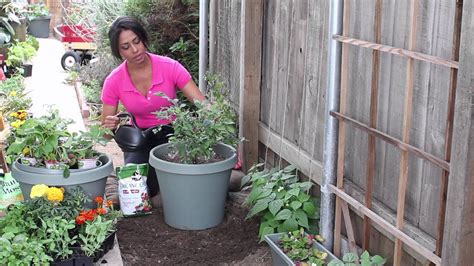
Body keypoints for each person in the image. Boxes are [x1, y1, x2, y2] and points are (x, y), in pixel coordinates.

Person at [101, 16, 206, 205]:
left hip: (174, 135)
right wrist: (111, 125)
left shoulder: (170, 67)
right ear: (118, 51)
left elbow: (202, 104)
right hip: (139, 140)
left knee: (176, 187)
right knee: (138, 190)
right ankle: (114, 184)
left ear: (143, 39)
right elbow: (104, 134)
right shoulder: (114, 80)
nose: (135, 50)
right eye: (126, 47)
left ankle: (127, 187)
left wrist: (219, 124)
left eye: (137, 41)